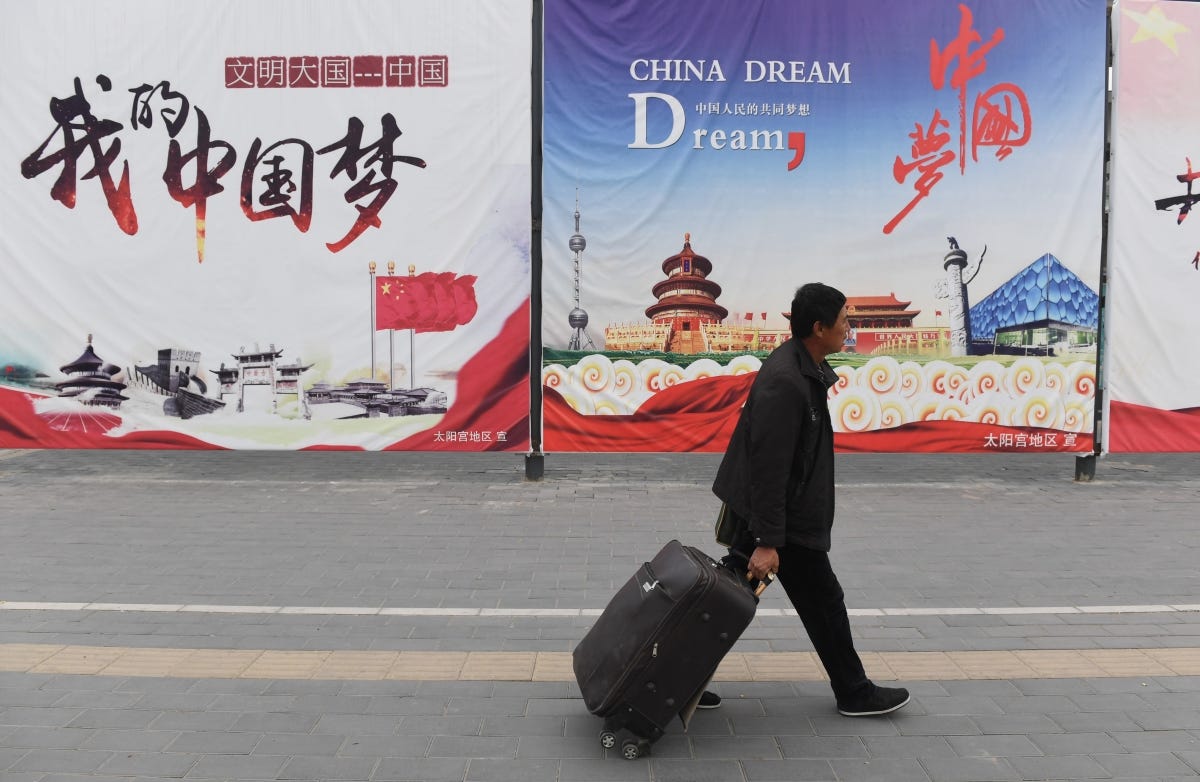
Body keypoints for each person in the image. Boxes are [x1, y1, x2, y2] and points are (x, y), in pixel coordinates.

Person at [710, 282, 910, 717]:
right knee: (823, 604)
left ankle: (675, 674)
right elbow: (769, 466)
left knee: (725, 602)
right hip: (782, 522)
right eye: (843, 321)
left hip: (778, 516)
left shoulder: (804, 368)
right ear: (818, 327)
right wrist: (767, 539)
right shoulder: (787, 380)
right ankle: (855, 691)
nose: (849, 328)